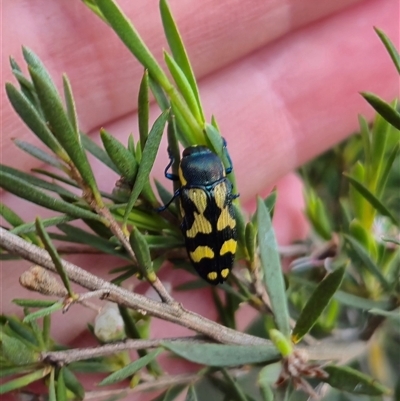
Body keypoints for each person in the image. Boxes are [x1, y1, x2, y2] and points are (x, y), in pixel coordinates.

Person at [1, 0, 398, 399]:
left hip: (210, 254)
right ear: (218, 172)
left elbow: (173, 195)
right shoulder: (219, 185)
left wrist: (160, 208)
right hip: (213, 253)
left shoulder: (189, 187)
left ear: (189, 172)